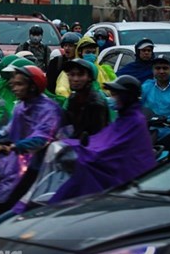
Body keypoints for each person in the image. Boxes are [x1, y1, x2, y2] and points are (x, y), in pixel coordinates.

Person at [47, 75, 157, 204]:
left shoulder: (135, 120)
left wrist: (80, 149)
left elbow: (112, 147)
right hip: (115, 166)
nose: (113, 99)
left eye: (116, 95)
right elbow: (101, 139)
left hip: (128, 176)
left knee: (85, 172)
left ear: (128, 96)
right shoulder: (123, 117)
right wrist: (71, 144)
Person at [0, 65, 62, 204]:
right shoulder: (20, 107)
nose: (14, 88)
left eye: (19, 84)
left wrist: (11, 147)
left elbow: (41, 139)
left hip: (38, 165)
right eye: (13, 84)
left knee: (8, 199)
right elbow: (6, 130)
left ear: (33, 86)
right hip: (17, 159)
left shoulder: (49, 109)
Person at [60, 59, 110, 139]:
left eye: (80, 75)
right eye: (72, 75)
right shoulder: (72, 99)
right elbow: (66, 126)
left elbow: (98, 137)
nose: (75, 79)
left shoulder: (97, 104)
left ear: (89, 77)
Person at [141, 54, 170, 154]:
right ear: (153, 70)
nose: (161, 71)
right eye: (158, 68)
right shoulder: (146, 87)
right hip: (149, 134)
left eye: (165, 68)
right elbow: (134, 106)